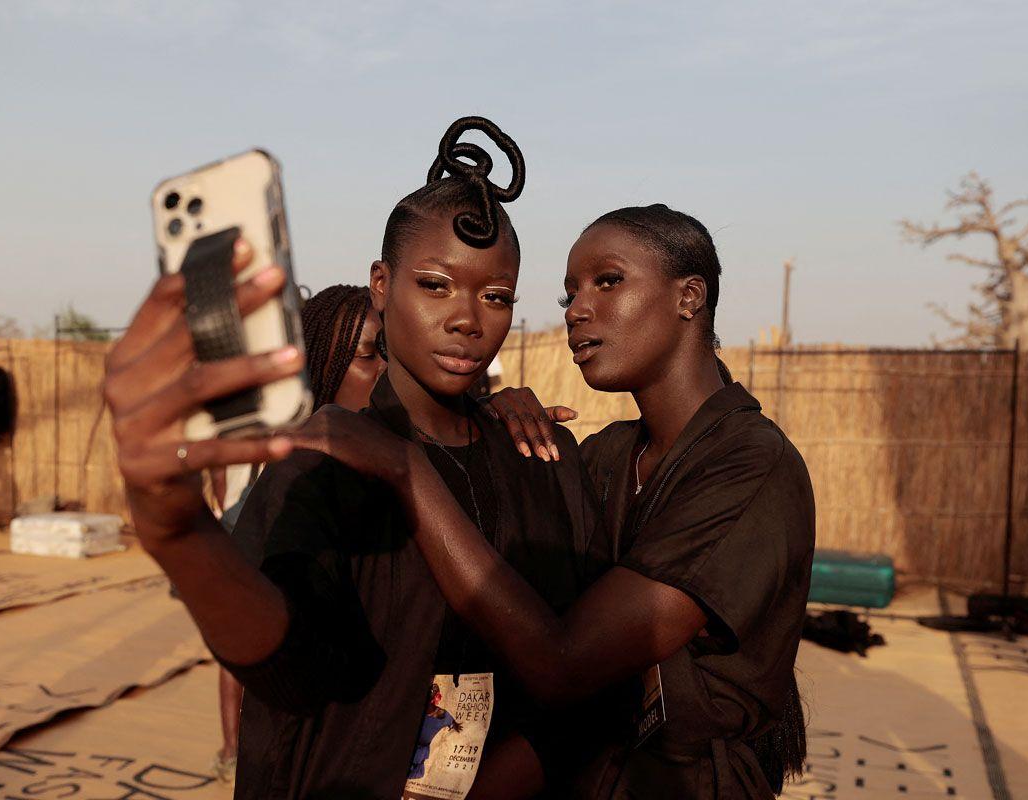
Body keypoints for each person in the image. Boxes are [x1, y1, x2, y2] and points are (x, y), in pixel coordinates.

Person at [106, 117, 611, 800]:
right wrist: (175, 528)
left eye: (495, 296)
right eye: (435, 285)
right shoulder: (325, 458)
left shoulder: (540, 460)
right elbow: (286, 663)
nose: (467, 318)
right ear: (382, 283)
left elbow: (583, 687)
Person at [292, 204, 816, 798]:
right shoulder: (607, 457)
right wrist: (486, 426)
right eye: (569, 294)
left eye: (608, 281)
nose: (577, 311)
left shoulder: (750, 465)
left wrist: (408, 472)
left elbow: (565, 664)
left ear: (689, 297)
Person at [213, 284, 384, 782]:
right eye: (368, 357)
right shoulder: (300, 481)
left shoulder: (401, 463)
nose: (385, 373)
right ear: (323, 366)